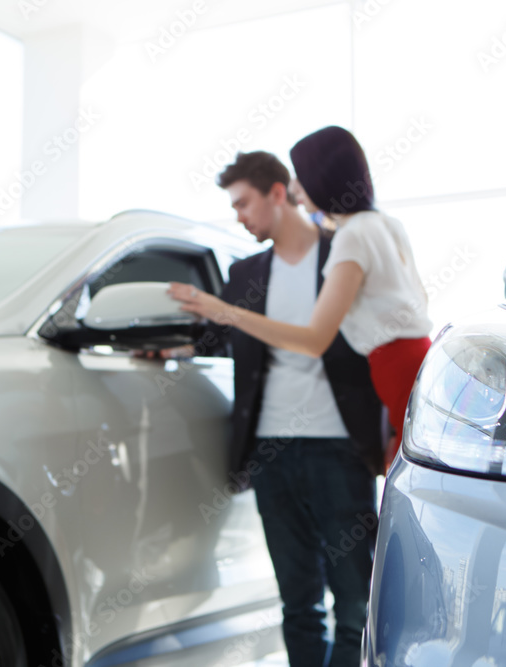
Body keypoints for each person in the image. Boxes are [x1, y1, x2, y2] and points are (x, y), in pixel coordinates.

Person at [194, 151, 384, 667]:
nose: (238, 216)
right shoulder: (246, 273)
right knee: (298, 604)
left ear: (278, 193)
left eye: (243, 203)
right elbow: (216, 337)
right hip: (271, 454)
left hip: (340, 449)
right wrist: (170, 349)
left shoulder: (343, 254)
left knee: (354, 602)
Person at [170, 126, 433, 470]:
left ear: (322, 177)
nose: (296, 187)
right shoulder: (384, 223)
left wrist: (225, 312)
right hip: (415, 359)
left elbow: (313, 340)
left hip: (386, 376)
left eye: (301, 176)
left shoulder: (350, 236)